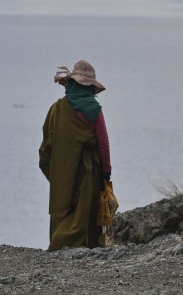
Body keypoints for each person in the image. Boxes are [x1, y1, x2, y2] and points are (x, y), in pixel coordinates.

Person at [38, 59, 112, 251]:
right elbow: (103, 143)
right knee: (84, 208)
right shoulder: (94, 110)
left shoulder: (57, 108)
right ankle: (76, 243)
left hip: (62, 168)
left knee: (63, 204)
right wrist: (106, 171)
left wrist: (51, 166)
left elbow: (47, 143)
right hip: (88, 168)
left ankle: (57, 242)